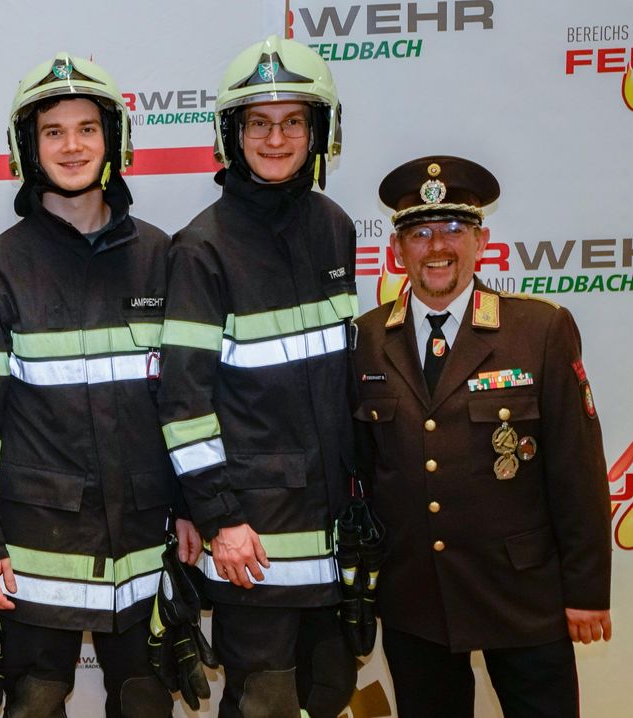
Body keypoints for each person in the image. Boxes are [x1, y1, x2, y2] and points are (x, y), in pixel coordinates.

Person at [0, 51, 200, 718]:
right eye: (53, 131)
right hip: (36, 544)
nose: (71, 145)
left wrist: (189, 505)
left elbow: (183, 399)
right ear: (28, 149)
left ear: (112, 139)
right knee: (35, 701)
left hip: (144, 533)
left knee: (146, 699)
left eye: (86, 128)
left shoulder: (159, 255)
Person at [353, 155, 612, 718]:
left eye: (453, 229)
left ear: (481, 241)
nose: (437, 246)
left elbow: (577, 469)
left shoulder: (539, 330)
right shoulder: (368, 339)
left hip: (522, 593)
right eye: (420, 232)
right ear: (397, 250)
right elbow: (365, 471)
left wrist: (586, 591)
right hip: (416, 593)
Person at [156, 35, 359, 717]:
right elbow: (183, 403)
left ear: (316, 131)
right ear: (232, 133)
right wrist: (220, 516)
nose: (277, 138)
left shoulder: (335, 228)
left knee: (329, 693)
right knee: (263, 701)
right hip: (255, 542)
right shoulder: (202, 247)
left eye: (293, 121)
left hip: (334, 537)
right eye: (259, 123)